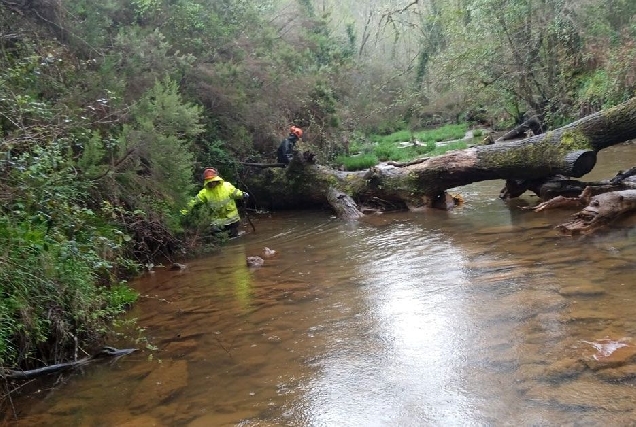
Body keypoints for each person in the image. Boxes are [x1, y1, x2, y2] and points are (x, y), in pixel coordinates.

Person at [181, 168, 249, 238]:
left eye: (213, 181)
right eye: (209, 182)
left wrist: (242, 194)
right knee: (220, 238)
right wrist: (184, 211)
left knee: (234, 238)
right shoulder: (204, 193)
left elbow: (235, 193)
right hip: (217, 221)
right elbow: (193, 202)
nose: (212, 183)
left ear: (217, 180)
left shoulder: (227, 186)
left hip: (232, 218)